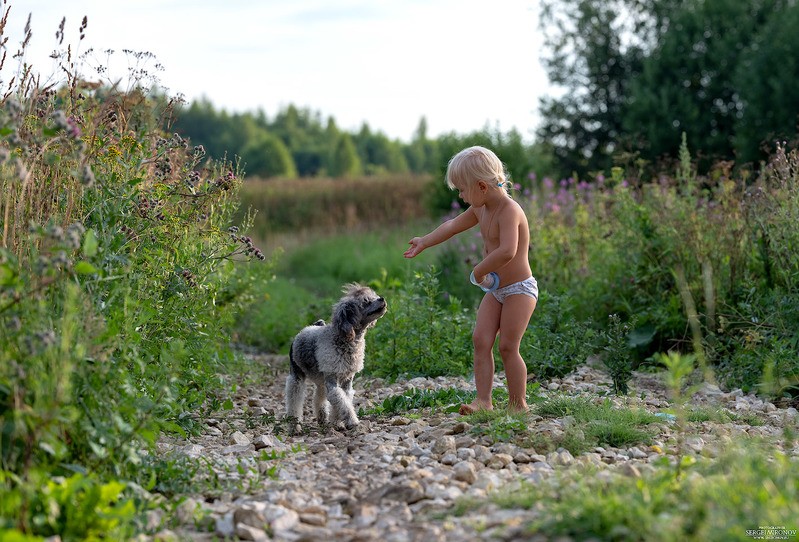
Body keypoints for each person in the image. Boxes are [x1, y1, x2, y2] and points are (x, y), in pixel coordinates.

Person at [404, 146, 538, 414]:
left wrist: (479, 270)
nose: (462, 196)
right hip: (497, 289)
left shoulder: (510, 210)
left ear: (481, 186)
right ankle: (483, 402)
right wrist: (425, 241)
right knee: (481, 339)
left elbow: (508, 251)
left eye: (463, 190)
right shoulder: (481, 209)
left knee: (508, 346)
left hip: (519, 290)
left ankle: (518, 404)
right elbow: (452, 226)